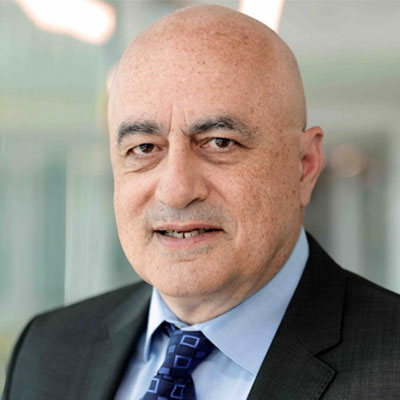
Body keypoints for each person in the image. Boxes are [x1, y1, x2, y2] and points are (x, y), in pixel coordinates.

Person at [3, 4, 400, 400]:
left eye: (220, 143)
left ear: (304, 167)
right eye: (144, 148)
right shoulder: (48, 352)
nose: (176, 190)